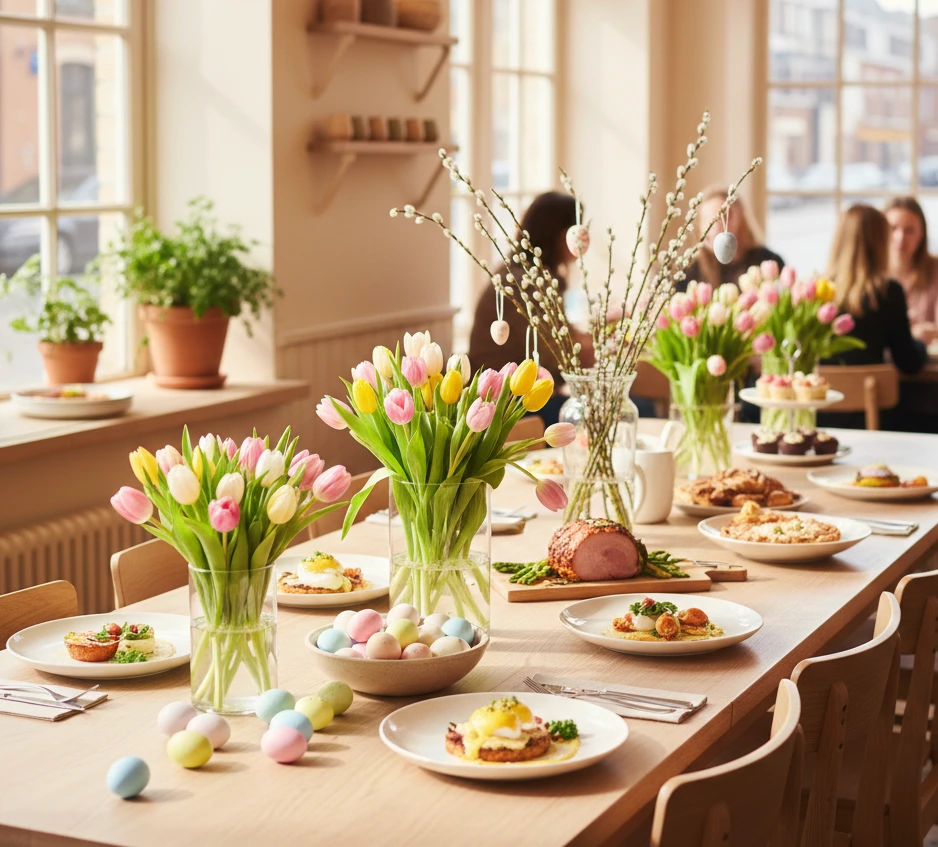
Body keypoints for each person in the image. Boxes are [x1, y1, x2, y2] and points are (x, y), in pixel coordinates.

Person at [468, 191, 593, 424]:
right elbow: (563, 359)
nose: (583, 241)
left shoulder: (517, 275)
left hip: (506, 399)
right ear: (561, 236)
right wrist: (604, 346)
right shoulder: (527, 284)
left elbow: (558, 341)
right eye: (578, 231)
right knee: (629, 407)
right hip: (510, 408)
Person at [818, 204, 927, 431]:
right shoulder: (887, 292)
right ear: (880, 242)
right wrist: (920, 342)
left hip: (820, 415)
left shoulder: (816, 292)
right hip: (872, 418)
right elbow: (909, 364)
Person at [677, 187, 784, 291]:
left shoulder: (768, 263)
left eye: (724, 217)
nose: (716, 227)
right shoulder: (688, 272)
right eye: (707, 219)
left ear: (741, 219)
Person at [885, 196, 938, 343]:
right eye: (893, 228)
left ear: (922, 233)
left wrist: (931, 333)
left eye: (909, 230)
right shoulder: (871, 272)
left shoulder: (935, 270)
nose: (900, 237)